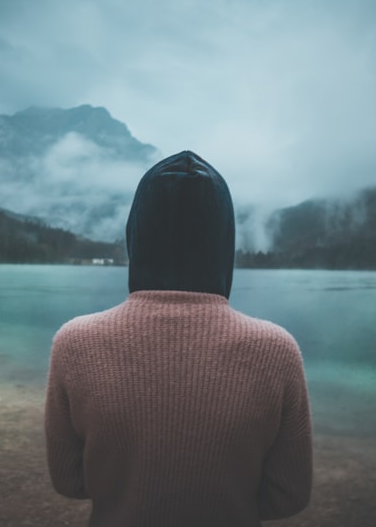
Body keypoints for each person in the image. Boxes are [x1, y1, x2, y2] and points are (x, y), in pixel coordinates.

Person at [45, 151, 312, 526]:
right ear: (224, 240)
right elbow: (289, 495)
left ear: (135, 234)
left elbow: (70, 481)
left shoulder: (74, 344)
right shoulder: (276, 350)